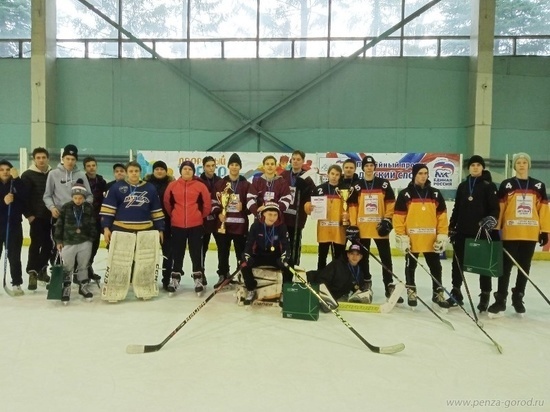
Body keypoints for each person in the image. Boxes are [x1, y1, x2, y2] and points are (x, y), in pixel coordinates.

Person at [488, 153, 550, 316]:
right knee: (505, 268)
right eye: (518, 163)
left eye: (524, 162)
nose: (521, 165)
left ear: (528, 165)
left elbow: (543, 209)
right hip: (510, 232)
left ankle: (518, 297)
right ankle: (500, 300)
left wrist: (545, 230)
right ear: (514, 166)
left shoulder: (538, 186)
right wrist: (496, 228)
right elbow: (500, 208)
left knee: (524, 267)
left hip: (530, 233)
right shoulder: (507, 185)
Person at [393, 163, 450, 309]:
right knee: (410, 266)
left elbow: (442, 216)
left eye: (425, 173)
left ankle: (437, 293)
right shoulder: (405, 194)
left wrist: (442, 234)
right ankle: (411, 291)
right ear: (414, 175)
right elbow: (399, 217)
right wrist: (401, 235)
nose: (423, 176)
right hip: (412, 240)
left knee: (436, 267)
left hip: (431, 239)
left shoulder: (435, 193)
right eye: (420, 173)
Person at [448, 155, 500, 311]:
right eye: (472, 165)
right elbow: (457, 208)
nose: (475, 167)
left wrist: (491, 219)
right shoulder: (463, 186)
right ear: (468, 168)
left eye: (478, 165)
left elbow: (495, 208)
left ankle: (485, 296)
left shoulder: (489, 186)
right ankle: (456, 293)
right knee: (457, 264)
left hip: (481, 232)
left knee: (483, 267)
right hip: (462, 231)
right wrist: (452, 226)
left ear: (482, 167)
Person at [352, 155, 398, 301]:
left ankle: (388, 285)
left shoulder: (383, 184)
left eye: (372, 166)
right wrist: (353, 225)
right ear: (363, 168)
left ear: (374, 167)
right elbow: (353, 207)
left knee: (386, 257)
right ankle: (366, 282)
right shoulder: (358, 186)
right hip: (363, 228)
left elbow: (391, 203)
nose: (369, 168)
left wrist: (387, 219)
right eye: (367, 166)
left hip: (380, 228)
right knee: (363, 257)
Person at [164, 160, 211, 296]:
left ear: (193, 172)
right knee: (177, 253)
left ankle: (198, 279)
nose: (187, 171)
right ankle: (175, 278)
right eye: (185, 169)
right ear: (181, 171)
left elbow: (207, 204)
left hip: (195, 225)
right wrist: (174, 215)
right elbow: (167, 203)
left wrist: (199, 216)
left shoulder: (200, 186)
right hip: (177, 225)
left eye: (190, 169)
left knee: (196, 253)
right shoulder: (172, 186)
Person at [211, 153, 256, 288]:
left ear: (240, 167)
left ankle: (242, 274)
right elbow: (213, 201)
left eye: (237, 165)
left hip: (240, 226)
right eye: (232, 164)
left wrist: (245, 208)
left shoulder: (246, 184)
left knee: (241, 252)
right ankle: (223, 275)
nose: (234, 167)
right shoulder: (220, 183)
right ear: (228, 166)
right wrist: (218, 213)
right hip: (224, 225)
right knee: (222, 252)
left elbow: (251, 203)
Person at [240, 202, 293, 305]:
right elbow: (249, 244)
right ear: (264, 214)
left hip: (275, 256)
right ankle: (251, 289)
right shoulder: (256, 226)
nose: (272, 217)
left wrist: (284, 257)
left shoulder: (282, 227)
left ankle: (285, 291)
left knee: (290, 263)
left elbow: (286, 246)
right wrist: (247, 255)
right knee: (243, 263)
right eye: (270, 214)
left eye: (275, 215)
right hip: (259, 255)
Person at [54, 179, 97, 302]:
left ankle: (83, 286)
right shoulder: (66, 207)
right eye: (76, 197)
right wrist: (58, 241)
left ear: (84, 197)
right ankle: (66, 287)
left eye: (81, 198)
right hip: (68, 241)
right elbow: (59, 224)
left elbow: (93, 224)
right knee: (68, 266)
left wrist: (91, 238)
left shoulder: (88, 207)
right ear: (72, 197)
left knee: (83, 265)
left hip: (85, 242)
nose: (78, 200)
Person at [100, 161, 164, 243]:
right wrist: (106, 228)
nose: (134, 173)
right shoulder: (116, 187)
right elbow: (108, 211)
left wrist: (160, 229)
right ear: (126, 173)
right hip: (121, 230)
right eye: (131, 171)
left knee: (143, 256)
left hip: (145, 230)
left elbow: (156, 211)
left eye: (136, 171)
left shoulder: (150, 188)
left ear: (140, 172)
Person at [20, 147, 53, 289]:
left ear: (47, 159)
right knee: (35, 244)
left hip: (51, 215)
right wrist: (29, 215)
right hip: (36, 217)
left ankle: (42, 269)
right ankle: (32, 272)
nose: (41, 160)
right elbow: (23, 197)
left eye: (43, 157)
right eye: (38, 158)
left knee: (49, 245)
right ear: (34, 159)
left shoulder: (53, 173)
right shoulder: (27, 175)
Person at [304, 164, 347, 271]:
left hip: (339, 229)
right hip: (324, 228)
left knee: (339, 257)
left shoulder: (345, 190)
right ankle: (321, 279)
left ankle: (338, 278)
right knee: (322, 256)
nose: (334, 176)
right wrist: (309, 207)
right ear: (327, 174)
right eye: (332, 174)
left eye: (337, 174)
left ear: (340, 176)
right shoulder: (319, 189)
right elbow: (309, 206)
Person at [307, 244, 371, 308]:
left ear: (361, 257)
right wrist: (325, 297)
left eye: (357, 255)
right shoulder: (337, 265)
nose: (355, 257)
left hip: (334, 296)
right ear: (348, 255)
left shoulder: (359, 272)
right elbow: (320, 280)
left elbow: (357, 287)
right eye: (352, 254)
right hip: (309, 284)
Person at [280, 150, 316, 266]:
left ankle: (293, 266)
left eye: (298, 159)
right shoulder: (283, 176)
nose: (295, 161)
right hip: (283, 216)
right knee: (281, 242)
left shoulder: (307, 178)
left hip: (297, 218)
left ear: (303, 161)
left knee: (294, 243)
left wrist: (307, 199)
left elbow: (313, 195)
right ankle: (281, 266)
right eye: (294, 159)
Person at [144, 160, 175, 291]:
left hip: (167, 223)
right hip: (149, 224)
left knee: (168, 254)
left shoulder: (172, 184)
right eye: (157, 169)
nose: (159, 171)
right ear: (153, 170)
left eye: (162, 169)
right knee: (148, 254)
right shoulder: (145, 184)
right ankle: (147, 280)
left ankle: (166, 280)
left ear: (166, 171)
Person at [0, 160, 29, 296]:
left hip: (14, 226)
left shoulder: (16, 183)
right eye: (2, 170)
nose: (5, 172)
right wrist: (3, 202)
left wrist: (17, 178)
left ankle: (16, 283)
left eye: (8, 169)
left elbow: (25, 196)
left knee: (14, 257)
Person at [43, 144, 93, 221]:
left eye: (73, 159)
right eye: (68, 158)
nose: (70, 162)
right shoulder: (53, 174)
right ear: (63, 159)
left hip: (78, 216)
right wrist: (52, 208)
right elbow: (47, 195)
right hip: (60, 214)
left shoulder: (81, 175)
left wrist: (83, 206)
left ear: (76, 160)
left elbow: (89, 195)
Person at [82, 156, 107, 284]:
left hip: (97, 218)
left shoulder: (102, 182)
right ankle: (81, 270)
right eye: (88, 166)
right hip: (84, 218)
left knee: (95, 245)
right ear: (84, 168)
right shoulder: (81, 180)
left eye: (93, 165)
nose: (91, 168)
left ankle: (88, 267)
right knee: (84, 245)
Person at [198, 156, 221, 286]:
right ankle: (201, 272)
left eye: (213, 165)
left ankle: (223, 273)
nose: (211, 168)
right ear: (203, 166)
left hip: (218, 220)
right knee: (203, 248)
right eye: (208, 166)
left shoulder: (221, 181)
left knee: (222, 247)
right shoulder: (199, 181)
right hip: (204, 221)